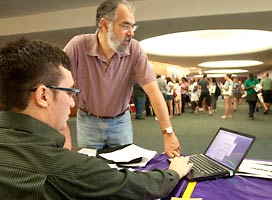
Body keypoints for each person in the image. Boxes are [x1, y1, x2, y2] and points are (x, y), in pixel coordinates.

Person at [0, 38, 193, 199]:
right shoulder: (65, 168)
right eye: (69, 92)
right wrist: (173, 172)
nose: (72, 103)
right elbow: (134, 186)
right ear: (43, 96)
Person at [64, 0, 180, 157]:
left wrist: (168, 133)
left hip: (120, 122)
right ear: (105, 25)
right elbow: (58, 89)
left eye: (133, 26)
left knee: (125, 169)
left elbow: (154, 92)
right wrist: (63, 131)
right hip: (88, 121)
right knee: (91, 170)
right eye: (125, 26)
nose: (131, 32)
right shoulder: (78, 46)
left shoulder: (135, 49)